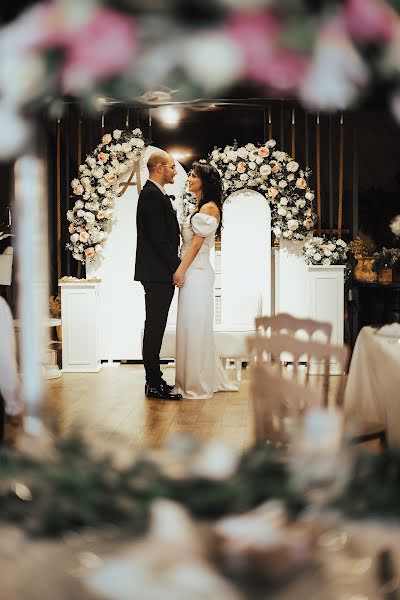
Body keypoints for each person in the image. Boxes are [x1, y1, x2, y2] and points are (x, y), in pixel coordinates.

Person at [173, 162, 239, 399]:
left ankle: (196, 383)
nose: (188, 179)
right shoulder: (199, 206)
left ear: (205, 181)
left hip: (197, 271)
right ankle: (189, 378)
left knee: (195, 327)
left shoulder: (209, 209)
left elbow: (196, 245)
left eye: (193, 175)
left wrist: (180, 270)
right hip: (193, 270)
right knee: (189, 326)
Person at [134, 150, 182, 400]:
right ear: (160, 167)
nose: (175, 171)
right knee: (154, 328)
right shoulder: (151, 195)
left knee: (156, 326)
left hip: (157, 272)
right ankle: (153, 382)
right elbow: (159, 240)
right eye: (172, 167)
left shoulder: (156, 194)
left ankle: (154, 380)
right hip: (157, 273)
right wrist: (177, 266)